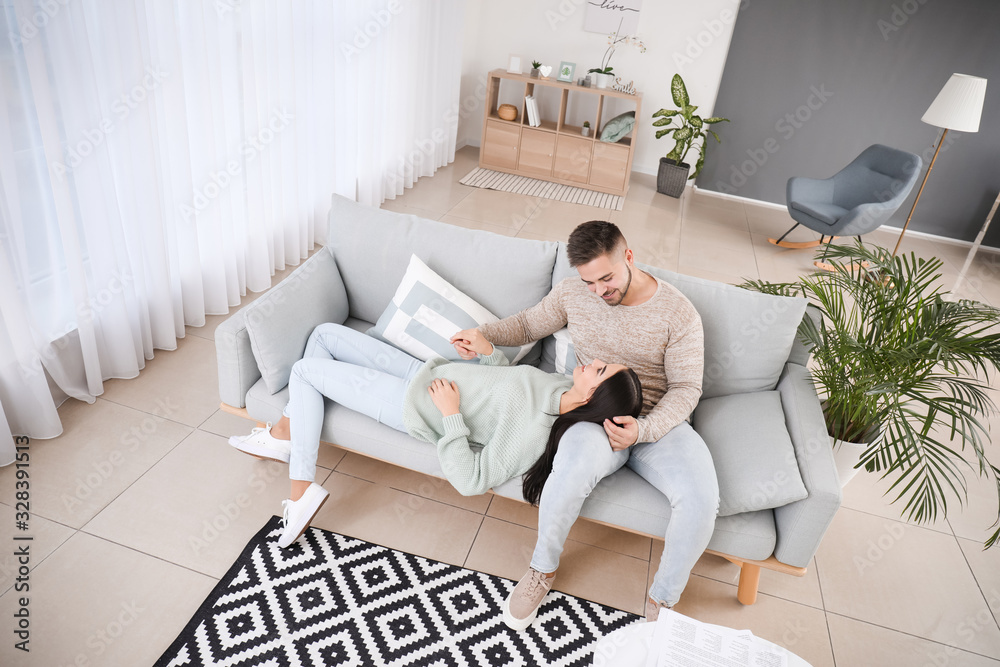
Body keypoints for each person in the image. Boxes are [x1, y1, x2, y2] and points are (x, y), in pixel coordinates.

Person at [451, 220, 719, 629]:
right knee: (571, 468)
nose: (598, 291)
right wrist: (483, 333)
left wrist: (642, 431)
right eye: (589, 281)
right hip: (593, 413)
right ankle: (542, 570)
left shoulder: (678, 313)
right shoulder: (575, 292)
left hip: (657, 423)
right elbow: (527, 325)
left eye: (606, 278)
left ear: (628, 257)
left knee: (701, 499)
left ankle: (663, 603)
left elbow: (685, 388)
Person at [228, 321, 643, 549]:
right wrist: (485, 352)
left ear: (595, 397)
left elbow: (472, 479)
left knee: (304, 372)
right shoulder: (559, 386)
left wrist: (450, 416)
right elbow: (507, 386)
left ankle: (301, 490)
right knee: (322, 334)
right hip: (424, 372)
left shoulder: (536, 431)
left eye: (602, 370)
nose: (597, 361)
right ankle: (286, 431)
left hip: (412, 404)